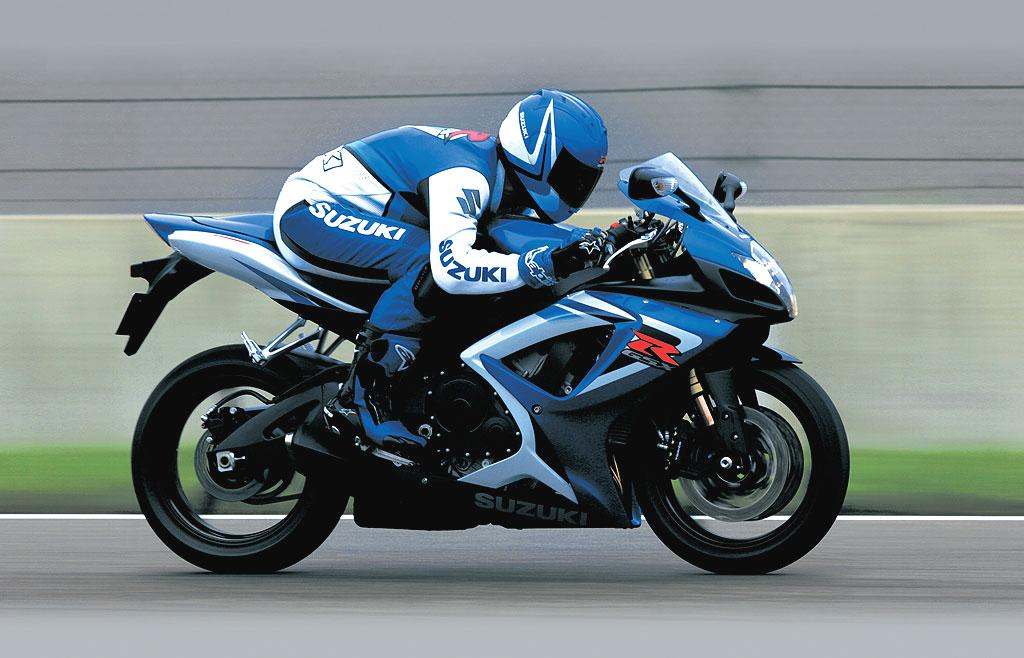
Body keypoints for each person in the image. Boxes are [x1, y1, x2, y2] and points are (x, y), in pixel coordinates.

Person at [272, 89, 609, 461]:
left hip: (355, 214)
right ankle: (362, 398)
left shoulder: (501, 178)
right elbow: (452, 269)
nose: (578, 187)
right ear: (539, 154)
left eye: (586, 179)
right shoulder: (467, 176)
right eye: (572, 174)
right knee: (426, 262)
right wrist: (531, 267)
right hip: (312, 210)